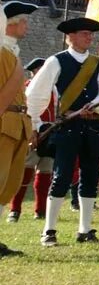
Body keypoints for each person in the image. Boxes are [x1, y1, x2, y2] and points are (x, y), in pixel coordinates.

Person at [26, 16, 99, 246]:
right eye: (85, 33)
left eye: (90, 34)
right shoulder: (56, 61)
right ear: (71, 37)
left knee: (90, 176)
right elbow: (37, 93)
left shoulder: (98, 63)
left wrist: (95, 106)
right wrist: (36, 123)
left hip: (93, 126)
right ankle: (49, 230)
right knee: (62, 176)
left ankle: (85, 230)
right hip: (67, 126)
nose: (89, 37)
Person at [0, 1, 37, 256]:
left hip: (16, 125)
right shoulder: (2, 53)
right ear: (10, 24)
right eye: (23, 21)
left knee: (8, 185)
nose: (27, 25)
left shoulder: (11, 52)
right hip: (4, 125)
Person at [7, 57, 54, 223]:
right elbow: (28, 111)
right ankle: (15, 209)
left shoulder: (53, 89)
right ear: (34, 72)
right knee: (24, 174)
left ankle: (40, 210)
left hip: (50, 134)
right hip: (32, 133)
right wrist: (37, 128)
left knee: (45, 174)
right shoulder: (27, 88)